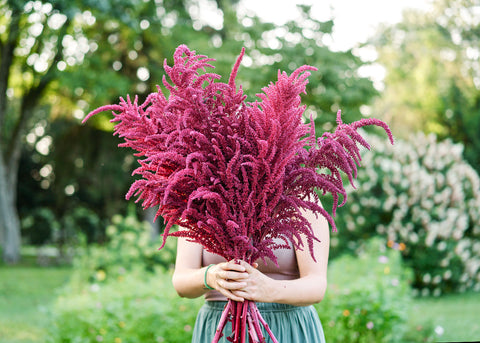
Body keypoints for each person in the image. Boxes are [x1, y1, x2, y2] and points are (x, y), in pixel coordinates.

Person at [172, 208, 330, 343]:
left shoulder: (299, 200)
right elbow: (181, 282)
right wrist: (210, 276)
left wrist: (268, 289)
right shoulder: (199, 198)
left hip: (287, 328)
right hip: (220, 327)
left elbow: (316, 286)